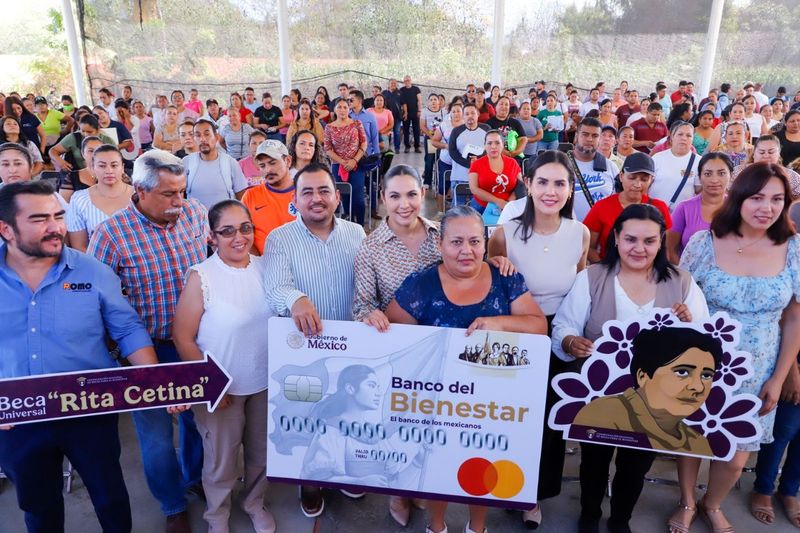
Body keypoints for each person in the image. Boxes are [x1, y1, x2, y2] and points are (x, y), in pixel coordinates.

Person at [0, 180, 158, 533]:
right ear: (5, 229)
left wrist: (156, 382)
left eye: (58, 215)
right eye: (40, 219)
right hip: (17, 418)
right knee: (39, 509)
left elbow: (127, 328)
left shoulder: (92, 270)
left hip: (90, 410)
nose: (56, 227)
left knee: (110, 497)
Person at [386, 205, 547, 533]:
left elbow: (538, 325)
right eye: (456, 242)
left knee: (482, 464)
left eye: (474, 241)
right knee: (438, 463)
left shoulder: (504, 277)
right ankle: (437, 525)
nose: (466, 251)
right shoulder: (422, 282)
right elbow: (392, 333)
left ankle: (477, 528)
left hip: (492, 401)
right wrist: (374, 322)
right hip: (438, 401)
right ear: (440, 245)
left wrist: (498, 323)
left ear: (486, 243)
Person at [553, 203, 709, 533]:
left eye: (649, 241)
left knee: (635, 466)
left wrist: (689, 323)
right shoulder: (592, 278)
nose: (639, 248)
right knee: (593, 461)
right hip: (599, 396)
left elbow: (705, 340)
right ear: (616, 240)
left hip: (656, 403)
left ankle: (621, 519)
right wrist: (570, 342)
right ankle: (590, 515)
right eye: (630, 239)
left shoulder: (681, 283)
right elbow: (565, 325)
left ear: (661, 241)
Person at [674, 162, 800, 533]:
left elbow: (794, 319)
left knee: (736, 454)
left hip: (759, 367)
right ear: (739, 198)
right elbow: (680, 296)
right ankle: (686, 501)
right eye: (757, 197)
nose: (768, 207)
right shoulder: (704, 242)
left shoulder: (793, 247)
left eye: (778, 199)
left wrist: (779, 376)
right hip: (700, 362)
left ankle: (712, 504)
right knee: (691, 438)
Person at [87, 150, 207, 532]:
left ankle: (196, 479)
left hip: (196, 343)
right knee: (155, 437)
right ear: (139, 190)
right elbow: (97, 298)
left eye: (182, 191)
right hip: (146, 350)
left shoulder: (195, 214)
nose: (179, 202)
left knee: (197, 423)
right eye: (169, 194)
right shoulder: (111, 233)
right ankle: (173, 505)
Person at [488, 151, 589, 528]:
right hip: (514, 333)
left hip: (557, 334)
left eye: (559, 183)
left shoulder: (579, 233)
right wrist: (493, 263)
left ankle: (533, 495)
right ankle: (501, 481)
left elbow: (580, 288)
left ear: (569, 189)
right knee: (509, 415)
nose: (550, 191)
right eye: (542, 182)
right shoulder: (506, 232)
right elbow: (490, 285)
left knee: (548, 421)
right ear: (528, 185)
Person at [264, 163, 366, 518]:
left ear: (337, 197)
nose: (316, 198)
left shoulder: (357, 234)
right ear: (295, 200)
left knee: (347, 415)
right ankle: (310, 483)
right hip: (306, 352)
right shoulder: (279, 238)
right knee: (309, 418)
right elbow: (274, 286)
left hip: (353, 346)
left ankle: (345, 472)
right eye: (307, 192)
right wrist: (296, 299)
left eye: (324, 190)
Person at [173, 200, 275, 533]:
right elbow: (183, 337)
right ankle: (217, 515)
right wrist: (211, 383)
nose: (238, 237)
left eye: (245, 228)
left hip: (263, 382)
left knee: (261, 454)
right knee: (221, 459)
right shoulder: (202, 276)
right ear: (212, 236)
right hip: (221, 389)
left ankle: (255, 503)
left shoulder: (266, 267)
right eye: (227, 231)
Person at [573, 327, 721, 455]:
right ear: (642, 376)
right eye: (682, 372)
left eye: (706, 375)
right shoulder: (601, 413)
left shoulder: (697, 441)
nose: (698, 386)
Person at [585, 152, 672, 262]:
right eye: (632, 177)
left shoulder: (660, 208)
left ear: (651, 180)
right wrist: (605, 270)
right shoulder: (602, 207)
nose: (637, 184)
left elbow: (666, 249)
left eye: (644, 179)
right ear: (621, 176)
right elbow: (589, 246)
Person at [667, 152, 733, 263]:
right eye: (708, 174)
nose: (714, 180)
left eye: (721, 173)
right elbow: (670, 250)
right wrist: (687, 276)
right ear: (699, 177)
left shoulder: (739, 208)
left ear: (730, 175)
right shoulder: (684, 208)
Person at [66, 144, 133, 252]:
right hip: (96, 265)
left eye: (114, 165)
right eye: (102, 166)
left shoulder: (138, 196)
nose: (109, 171)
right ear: (92, 168)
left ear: (122, 168)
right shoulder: (79, 199)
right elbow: (79, 246)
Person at [242, 139, 298, 254]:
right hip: (263, 266)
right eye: (262, 165)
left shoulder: (306, 193)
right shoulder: (250, 196)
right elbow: (242, 235)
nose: (268, 170)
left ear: (288, 161)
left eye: (273, 163)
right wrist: (257, 263)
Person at [183, 119, 248, 209]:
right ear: (194, 139)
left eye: (207, 134)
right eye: (198, 135)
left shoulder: (230, 162)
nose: (202, 139)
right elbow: (179, 194)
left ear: (216, 137)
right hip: (195, 221)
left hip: (225, 220)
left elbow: (242, 195)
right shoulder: (186, 162)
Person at [324, 99, 368, 224]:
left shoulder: (356, 123)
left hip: (356, 165)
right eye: (339, 107)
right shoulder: (329, 127)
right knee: (344, 196)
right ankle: (348, 224)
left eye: (345, 107)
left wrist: (354, 160)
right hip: (338, 166)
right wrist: (343, 162)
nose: (342, 110)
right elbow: (327, 148)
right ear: (335, 110)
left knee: (358, 197)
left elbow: (364, 143)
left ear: (349, 109)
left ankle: (360, 225)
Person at [569, 117, 620, 221]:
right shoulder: (562, 164)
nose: (589, 139)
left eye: (595, 136)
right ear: (576, 136)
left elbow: (617, 201)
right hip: (568, 230)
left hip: (600, 231)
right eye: (585, 134)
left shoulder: (610, 167)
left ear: (600, 139)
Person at [467, 130, 520, 215]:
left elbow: (520, 186)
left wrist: (508, 203)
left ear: (503, 145)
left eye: (497, 143)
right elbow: (474, 188)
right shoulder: (476, 164)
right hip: (481, 208)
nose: (493, 146)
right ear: (484, 145)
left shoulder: (512, 163)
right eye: (489, 143)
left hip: (509, 207)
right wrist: (498, 202)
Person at [731, 134, 800, 199]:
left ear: (779, 154)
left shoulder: (791, 176)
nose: (766, 156)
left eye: (771, 152)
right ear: (754, 154)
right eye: (761, 152)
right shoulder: (738, 172)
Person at [650, 121, 701, 209]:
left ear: (693, 139)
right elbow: (647, 184)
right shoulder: (657, 158)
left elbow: (699, 190)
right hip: (654, 212)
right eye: (680, 134)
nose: (684, 138)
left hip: (682, 214)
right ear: (672, 137)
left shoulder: (699, 161)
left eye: (688, 135)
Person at [448, 103, 490, 206]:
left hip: (481, 177)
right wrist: (468, 163)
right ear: (463, 116)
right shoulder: (456, 131)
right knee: (458, 210)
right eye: (466, 113)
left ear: (478, 114)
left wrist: (478, 161)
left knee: (479, 210)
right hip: (459, 177)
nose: (470, 116)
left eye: (473, 113)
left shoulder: (486, 129)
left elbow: (491, 148)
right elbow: (452, 151)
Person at [59, 135, 103, 202]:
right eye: (91, 151)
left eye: (99, 150)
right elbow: (64, 206)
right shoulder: (71, 177)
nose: (95, 154)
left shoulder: (115, 175)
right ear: (83, 153)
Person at [398, 75, 422, 153]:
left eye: (408, 80)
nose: (407, 82)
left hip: (415, 112)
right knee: (406, 130)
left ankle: (417, 147)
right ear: (404, 82)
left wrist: (419, 110)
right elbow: (400, 102)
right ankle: (407, 146)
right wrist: (404, 112)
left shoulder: (416, 89)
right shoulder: (401, 90)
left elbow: (419, 100)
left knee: (416, 130)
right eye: (405, 81)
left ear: (411, 81)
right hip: (406, 114)